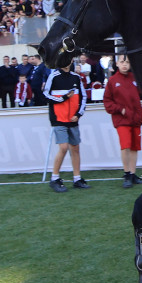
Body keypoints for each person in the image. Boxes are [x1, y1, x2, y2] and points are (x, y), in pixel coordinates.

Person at [45, 60, 89, 192]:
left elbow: (83, 96)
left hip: (73, 119)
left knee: (75, 148)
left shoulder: (76, 77)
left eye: (68, 59)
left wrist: (78, 114)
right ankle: (54, 178)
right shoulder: (53, 76)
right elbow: (45, 94)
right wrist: (63, 97)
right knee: (63, 147)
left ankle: (77, 179)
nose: (67, 62)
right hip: (58, 118)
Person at [103, 56, 142, 188]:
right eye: (122, 62)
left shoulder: (135, 78)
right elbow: (107, 102)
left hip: (136, 119)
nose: (125, 64)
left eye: (127, 62)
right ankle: (127, 174)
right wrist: (120, 110)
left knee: (134, 147)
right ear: (117, 63)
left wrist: (139, 113)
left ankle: (133, 174)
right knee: (125, 146)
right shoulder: (113, 80)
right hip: (122, 120)